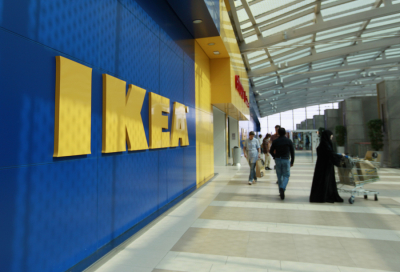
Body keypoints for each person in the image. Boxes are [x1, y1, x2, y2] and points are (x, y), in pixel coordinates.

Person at [310, 130, 344, 203]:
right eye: (331, 136)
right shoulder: (326, 145)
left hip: (321, 166)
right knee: (326, 181)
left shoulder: (322, 144)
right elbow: (330, 154)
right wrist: (340, 156)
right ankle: (326, 196)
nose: (332, 137)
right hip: (326, 166)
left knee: (322, 181)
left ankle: (323, 195)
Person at [269, 128, 295, 200]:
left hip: (278, 159)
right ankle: (282, 188)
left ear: (278, 133)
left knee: (279, 175)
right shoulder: (288, 141)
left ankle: (280, 191)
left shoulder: (275, 141)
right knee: (286, 175)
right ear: (285, 133)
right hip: (286, 159)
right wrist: (292, 161)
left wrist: (275, 157)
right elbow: (292, 152)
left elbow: (271, 151)